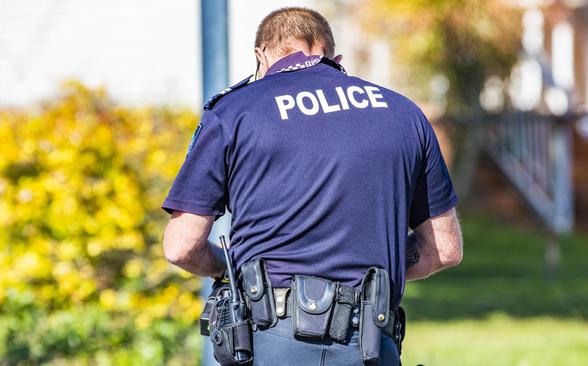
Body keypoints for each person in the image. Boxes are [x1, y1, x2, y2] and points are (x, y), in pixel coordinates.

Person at [162, 7, 463, 366]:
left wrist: (226, 269)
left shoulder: (234, 112)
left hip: (270, 341)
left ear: (261, 56)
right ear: (334, 59)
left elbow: (181, 246)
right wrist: (376, 267)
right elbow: (444, 248)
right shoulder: (404, 113)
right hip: (369, 341)